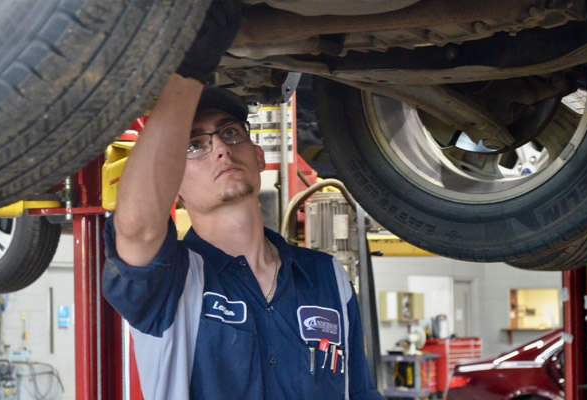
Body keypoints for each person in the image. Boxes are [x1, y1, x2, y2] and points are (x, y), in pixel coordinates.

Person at [102, 1, 384, 399]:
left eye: (230, 133)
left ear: (258, 156)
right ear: (174, 186)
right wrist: (189, 65)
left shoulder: (327, 278)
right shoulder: (173, 283)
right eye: (194, 146)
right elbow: (135, 227)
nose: (220, 149)